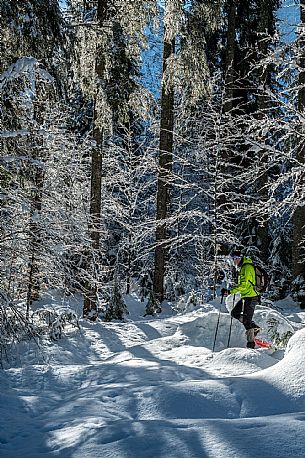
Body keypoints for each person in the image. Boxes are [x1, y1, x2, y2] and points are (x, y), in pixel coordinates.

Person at [222, 251, 261, 349]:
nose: (233, 262)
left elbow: (244, 285)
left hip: (252, 297)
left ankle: (251, 344)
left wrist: (231, 291)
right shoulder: (243, 267)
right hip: (246, 296)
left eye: (234, 259)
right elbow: (244, 284)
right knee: (235, 313)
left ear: (238, 258)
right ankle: (254, 328)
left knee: (247, 320)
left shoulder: (246, 267)